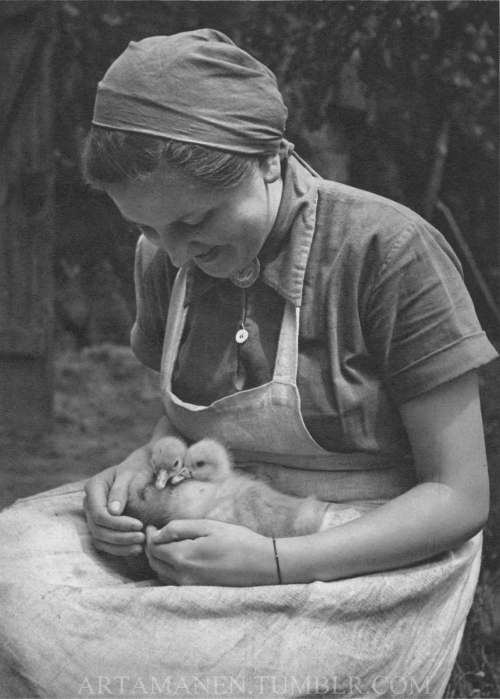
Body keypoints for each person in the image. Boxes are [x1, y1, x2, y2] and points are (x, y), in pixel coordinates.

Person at [0, 28, 497, 699]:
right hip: (216, 516)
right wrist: (134, 480)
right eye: (147, 228)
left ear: (268, 159)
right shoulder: (166, 260)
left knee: (194, 676)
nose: (173, 254)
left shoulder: (389, 254)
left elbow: (458, 496)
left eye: (193, 222)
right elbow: (183, 432)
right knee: (11, 559)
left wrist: (272, 560)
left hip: (362, 547)